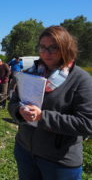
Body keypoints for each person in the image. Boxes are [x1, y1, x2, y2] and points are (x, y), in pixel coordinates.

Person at [8, 26, 92, 180]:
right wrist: (19, 111)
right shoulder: (29, 73)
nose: (46, 53)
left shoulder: (81, 80)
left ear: (65, 48)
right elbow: (13, 103)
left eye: (53, 48)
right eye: (42, 47)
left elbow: (87, 123)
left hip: (59, 162)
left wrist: (42, 117)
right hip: (25, 151)